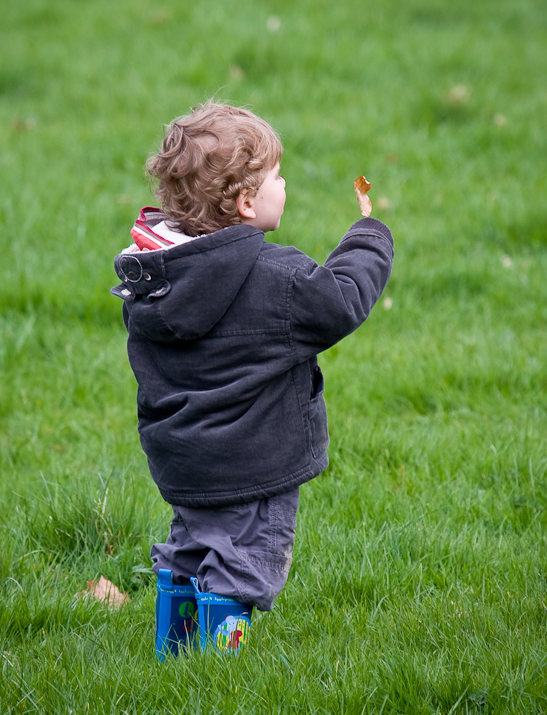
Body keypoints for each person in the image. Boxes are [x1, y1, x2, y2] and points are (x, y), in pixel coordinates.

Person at [111, 101, 394, 658]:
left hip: (184, 461)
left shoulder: (153, 276)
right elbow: (339, 302)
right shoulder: (276, 279)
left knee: (194, 546)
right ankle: (220, 666)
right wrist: (368, 238)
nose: (284, 185)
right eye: (276, 178)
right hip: (255, 463)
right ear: (246, 202)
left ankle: (175, 649)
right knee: (244, 566)